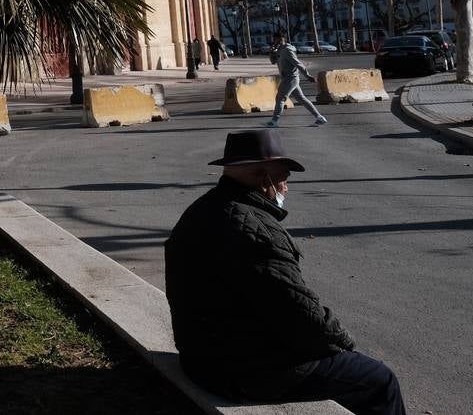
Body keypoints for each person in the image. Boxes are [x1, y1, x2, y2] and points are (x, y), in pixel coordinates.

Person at [165, 131, 406, 415]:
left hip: (200, 359)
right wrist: (343, 342)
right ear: (263, 178)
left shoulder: (202, 209)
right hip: (242, 372)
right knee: (380, 380)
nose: (286, 188)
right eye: (283, 178)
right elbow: (300, 314)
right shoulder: (257, 230)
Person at [267, 30, 327, 127]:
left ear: (280, 39)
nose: (274, 41)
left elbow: (297, 63)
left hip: (290, 78)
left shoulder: (287, 50)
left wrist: (307, 75)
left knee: (280, 98)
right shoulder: (280, 50)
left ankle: (274, 121)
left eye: (275, 39)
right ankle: (320, 118)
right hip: (288, 78)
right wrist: (271, 53)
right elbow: (273, 62)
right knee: (302, 99)